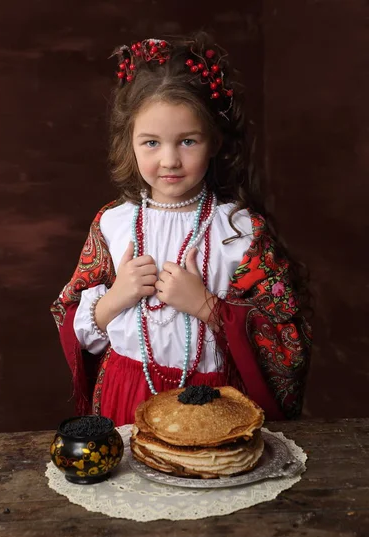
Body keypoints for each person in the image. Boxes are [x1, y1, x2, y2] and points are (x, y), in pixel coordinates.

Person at [51, 33, 312, 426]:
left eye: (188, 141)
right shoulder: (113, 223)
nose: (170, 160)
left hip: (215, 403)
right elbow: (76, 327)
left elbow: (286, 342)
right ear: (130, 144)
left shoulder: (240, 231)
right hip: (126, 397)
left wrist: (206, 307)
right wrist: (116, 297)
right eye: (151, 142)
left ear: (215, 143)